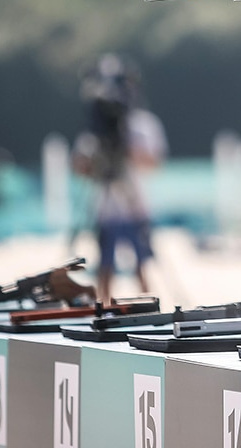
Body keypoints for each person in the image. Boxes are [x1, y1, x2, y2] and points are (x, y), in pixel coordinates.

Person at [71, 54, 167, 302]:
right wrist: (96, 159)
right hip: (106, 207)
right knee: (104, 265)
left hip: (136, 205)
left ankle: (148, 307)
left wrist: (126, 148)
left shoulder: (142, 124)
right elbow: (79, 167)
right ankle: (103, 306)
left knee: (142, 265)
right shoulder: (96, 129)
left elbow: (154, 161)